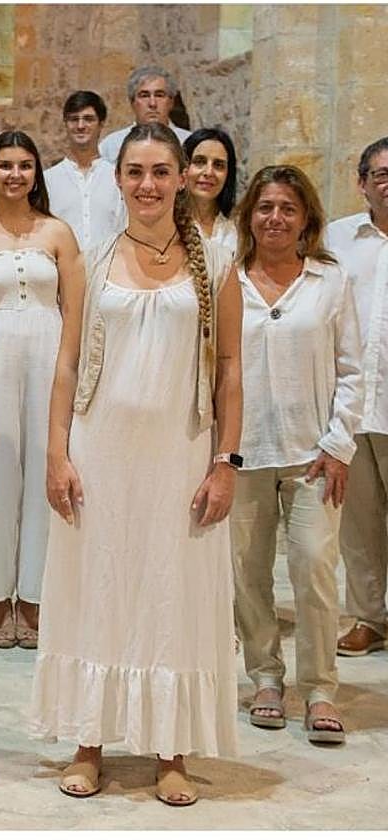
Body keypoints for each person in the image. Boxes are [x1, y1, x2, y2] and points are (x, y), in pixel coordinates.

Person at [30, 123, 242, 807]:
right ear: (118, 180)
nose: (147, 185)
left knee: (171, 592)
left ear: (182, 179)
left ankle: (170, 750)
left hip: (181, 455)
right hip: (101, 452)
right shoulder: (90, 260)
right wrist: (57, 452)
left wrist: (225, 462)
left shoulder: (217, 262)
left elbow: (230, 369)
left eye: (160, 172)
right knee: (97, 588)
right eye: (135, 172)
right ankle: (89, 741)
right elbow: (66, 363)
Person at [229, 164, 362, 746]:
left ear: (306, 217)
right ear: (249, 216)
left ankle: (320, 688)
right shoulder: (228, 279)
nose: (276, 218)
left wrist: (339, 444)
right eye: (265, 207)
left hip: (314, 455)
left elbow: (353, 368)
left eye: (288, 208)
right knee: (247, 573)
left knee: (313, 567)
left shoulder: (329, 280)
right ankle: (265, 678)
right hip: (243, 452)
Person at [0, 131, 79, 648]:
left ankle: (35, 600)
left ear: (36, 174)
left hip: (49, 358)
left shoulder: (58, 232)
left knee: (46, 472)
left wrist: (72, 367)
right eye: (5, 165)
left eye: (25, 165)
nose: (15, 174)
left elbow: (76, 310)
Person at [327, 135, 388, 656]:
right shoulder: (337, 239)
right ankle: (369, 617)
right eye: (381, 175)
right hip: (352, 403)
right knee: (358, 521)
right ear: (362, 182)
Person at [45, 91, 127, 252]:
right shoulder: (48, 179)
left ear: (101, 124)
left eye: (88, 119)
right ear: (65, 124)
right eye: (74, 119)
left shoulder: (118, 178)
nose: (80, 126)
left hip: (111, 264)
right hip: (62, 265)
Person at [98, 67, 192, 164]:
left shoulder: (188, 142)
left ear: (171, 102)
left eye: (159, 95)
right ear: (132, 102)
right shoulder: (111, 145)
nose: (152, 103)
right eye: (144, 95)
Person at [184, 127, 239, 260]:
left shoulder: (237, 228)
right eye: (199, 162)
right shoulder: (167, 224)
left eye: (218, 165)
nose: (209, 172)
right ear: (183, 168)